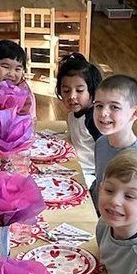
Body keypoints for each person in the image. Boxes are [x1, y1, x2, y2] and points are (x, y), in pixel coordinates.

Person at [89, 74, 137, 203]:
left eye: (114, 107)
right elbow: (99, 183)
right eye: (98, 105)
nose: (103, 112)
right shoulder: (101, 143)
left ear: (135, 113)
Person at [56, 52, 102, 187]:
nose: (72, 96)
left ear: (92, 91)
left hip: (91, 176)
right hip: (74, 165)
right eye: (66, 91)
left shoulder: (93, 119)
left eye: (80, 90)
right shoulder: (72, 115)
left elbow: (108, 150)